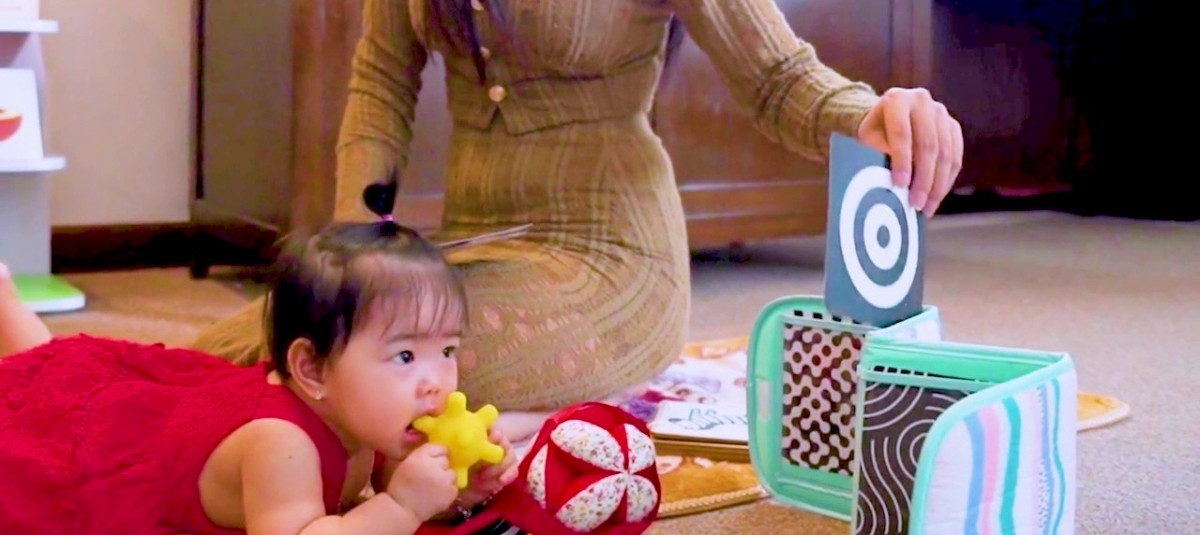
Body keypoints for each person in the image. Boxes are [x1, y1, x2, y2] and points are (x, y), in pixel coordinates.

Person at [190, 0, 964, 443]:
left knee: (386, 377)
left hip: (612, 259)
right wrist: (353, 265)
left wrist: (869, 115)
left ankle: (543, 422)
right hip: (470, 252)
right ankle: (525, 422)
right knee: (273, 345)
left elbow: (779, 79)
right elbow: (381, 84)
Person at [0, 215, 520, 535]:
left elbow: (388, 480)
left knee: (59, 373)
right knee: (47, 408)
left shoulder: (366, 414)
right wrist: (404, 506)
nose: (436, 382)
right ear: (313, 370)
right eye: (405, 356)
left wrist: (456, 490)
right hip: (117, 447)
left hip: (178, 409)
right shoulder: (281, 445)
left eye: (447, 350)